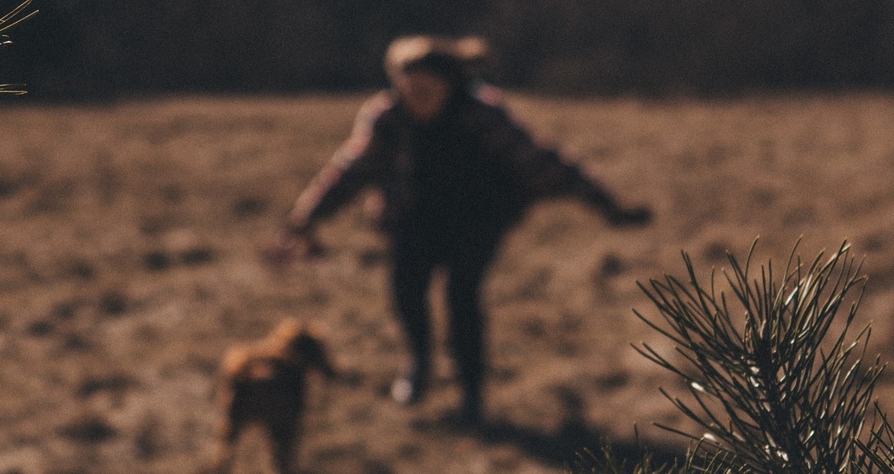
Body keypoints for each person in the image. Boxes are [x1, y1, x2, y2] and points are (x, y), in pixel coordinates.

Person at [272, 36, 650, 427]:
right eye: (408, 88)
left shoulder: (482, 114)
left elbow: (541, 162)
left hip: (476, 220)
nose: (416, 98)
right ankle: (419, 363)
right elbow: (351, 170)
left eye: (426, 90)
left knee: (462, 296)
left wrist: (608, 205)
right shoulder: (388, 118)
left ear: (449, 85)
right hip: (413, 217)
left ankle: (471, 393)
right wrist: (305, 218)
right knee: (406, 289)